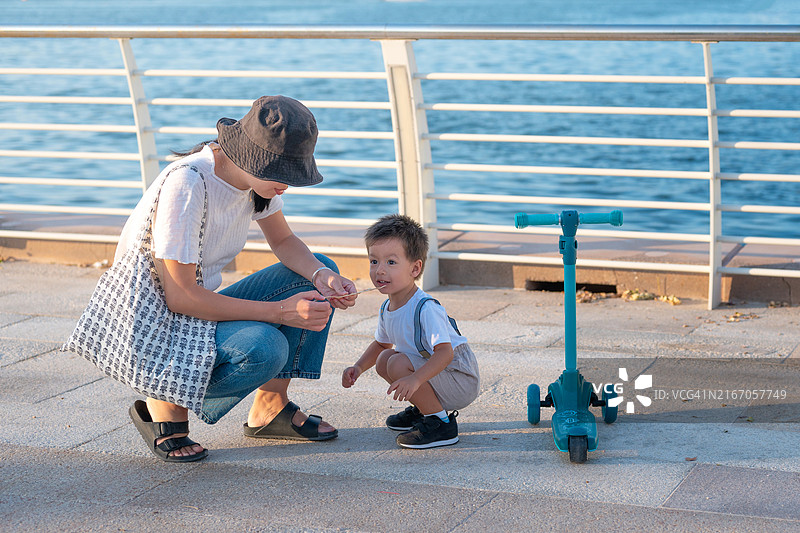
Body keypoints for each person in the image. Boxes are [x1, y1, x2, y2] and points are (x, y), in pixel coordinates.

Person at [116, 95, 357, 462]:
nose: (287, 186)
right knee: (264, 348)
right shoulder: (188, 185)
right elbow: (179, 297)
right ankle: (164, 397)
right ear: (252, 158)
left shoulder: (252, 182)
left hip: (191, 308)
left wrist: (323, 277)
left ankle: (270, 409)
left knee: (315, 273)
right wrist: (281, 312)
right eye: (284, 174)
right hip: (155, 325)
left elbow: (284, 241)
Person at [341, 214, 480, 449]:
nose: (379, 271)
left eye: (391, 263)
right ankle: (425, 409)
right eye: (374, 261)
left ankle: (441, 424)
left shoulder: (425, 308)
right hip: (439, 374)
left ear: (415, 268)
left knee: (397, 364)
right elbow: (381, 345)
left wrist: (415, 380)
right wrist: (358, 367)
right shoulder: (388, 306)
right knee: (385, 358)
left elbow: (445, 354)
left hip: (459, 378)